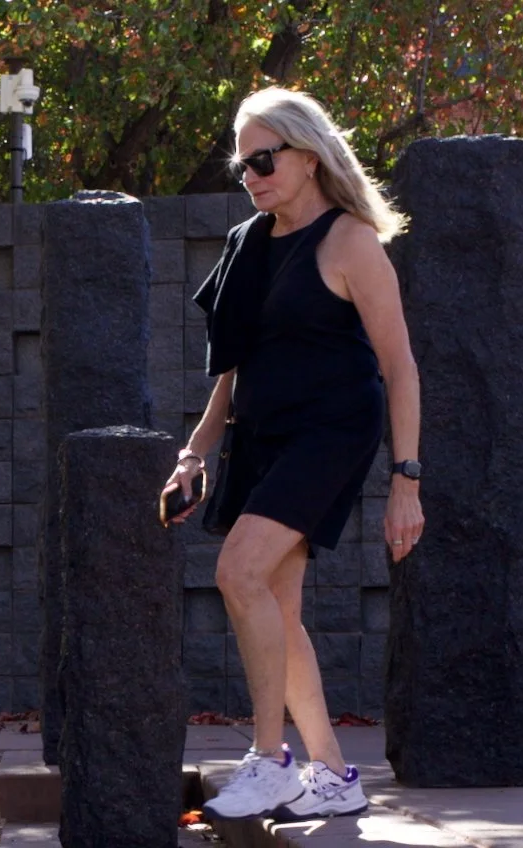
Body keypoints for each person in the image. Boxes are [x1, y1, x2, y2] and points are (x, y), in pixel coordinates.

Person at [160, 86, 424, 821]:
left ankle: (271, 759)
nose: (251, 175)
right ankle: (335, 776)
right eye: (241, 164)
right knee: (276, 604)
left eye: (264, 159)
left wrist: (406, 480)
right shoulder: (247, 242)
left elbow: (400, 367)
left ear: (309, 157)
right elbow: (234, 369)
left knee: (237, 571)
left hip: (331, 431)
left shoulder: (351, 242)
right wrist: (194, 452)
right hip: (263, 433)